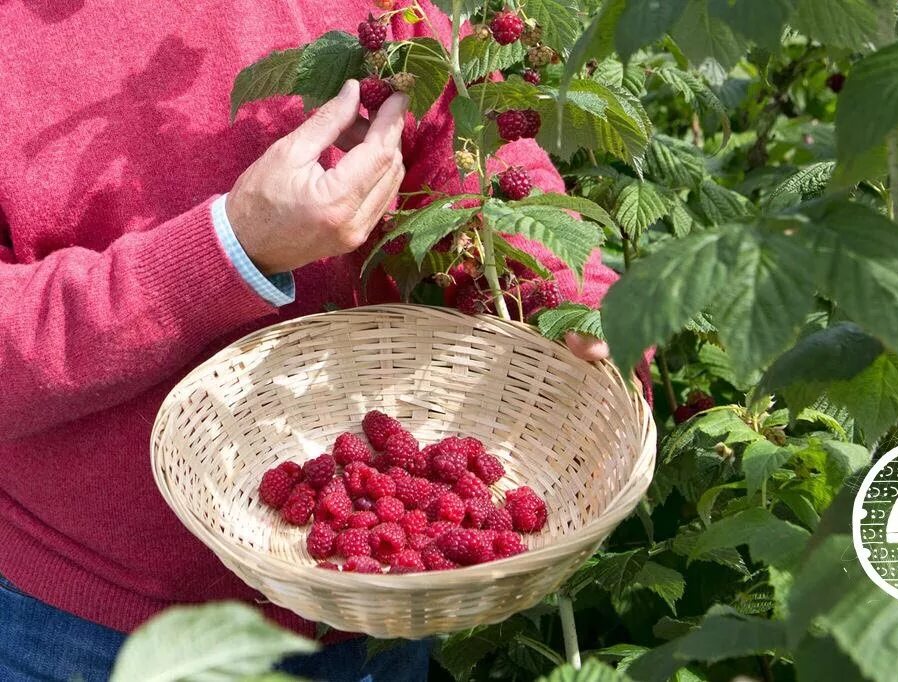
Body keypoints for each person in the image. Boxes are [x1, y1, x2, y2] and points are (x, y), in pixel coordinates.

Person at [0, 2, 616, 680]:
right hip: (86, 625)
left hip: (375, 596)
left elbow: (458, 125)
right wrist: (230, 249)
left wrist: (567, 294)